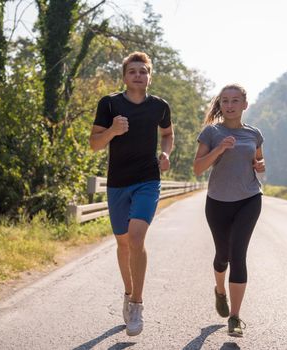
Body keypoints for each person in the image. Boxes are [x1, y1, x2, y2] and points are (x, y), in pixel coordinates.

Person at [89, 51, 174, 336]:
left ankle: (137, 304)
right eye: (133, 70)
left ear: (150, 76)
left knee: (137, 237)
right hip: (117, 183)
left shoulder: (160, 106)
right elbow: (94, 145)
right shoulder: (110, 104)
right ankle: (128, 293)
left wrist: (165, 152)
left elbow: (168, 133)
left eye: (143, 70)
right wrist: (112, 130)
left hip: (148, 180)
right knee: (123, 244)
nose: (138, 74)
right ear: (125, 76)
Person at [193, 84, 265, 337]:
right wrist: (219, 149)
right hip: (218, 201)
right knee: (222, 255)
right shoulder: (211, 132)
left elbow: (258, 160)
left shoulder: (254, 133)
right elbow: (198, 168)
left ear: (245, 105)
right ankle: (220, 290)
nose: (230, 105)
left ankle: (234, 317)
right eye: (225, 101)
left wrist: (260, 165)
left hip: (249, 198)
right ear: (220, 105)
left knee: (238, 254)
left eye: (235, 101)